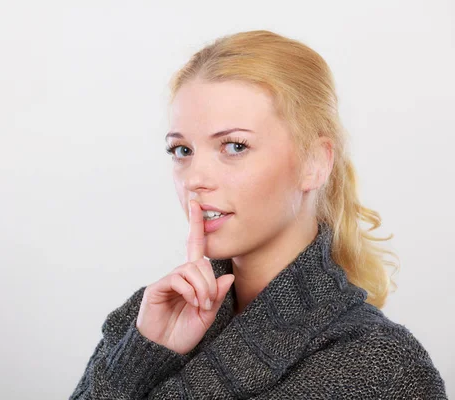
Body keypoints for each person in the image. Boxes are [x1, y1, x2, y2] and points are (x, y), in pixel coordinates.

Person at [70, 30, 448, 399]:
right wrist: (144, 354)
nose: (195, 180)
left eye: (234, 146)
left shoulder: (383, 369)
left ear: (314, 163)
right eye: (182, 150)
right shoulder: (147, 319)